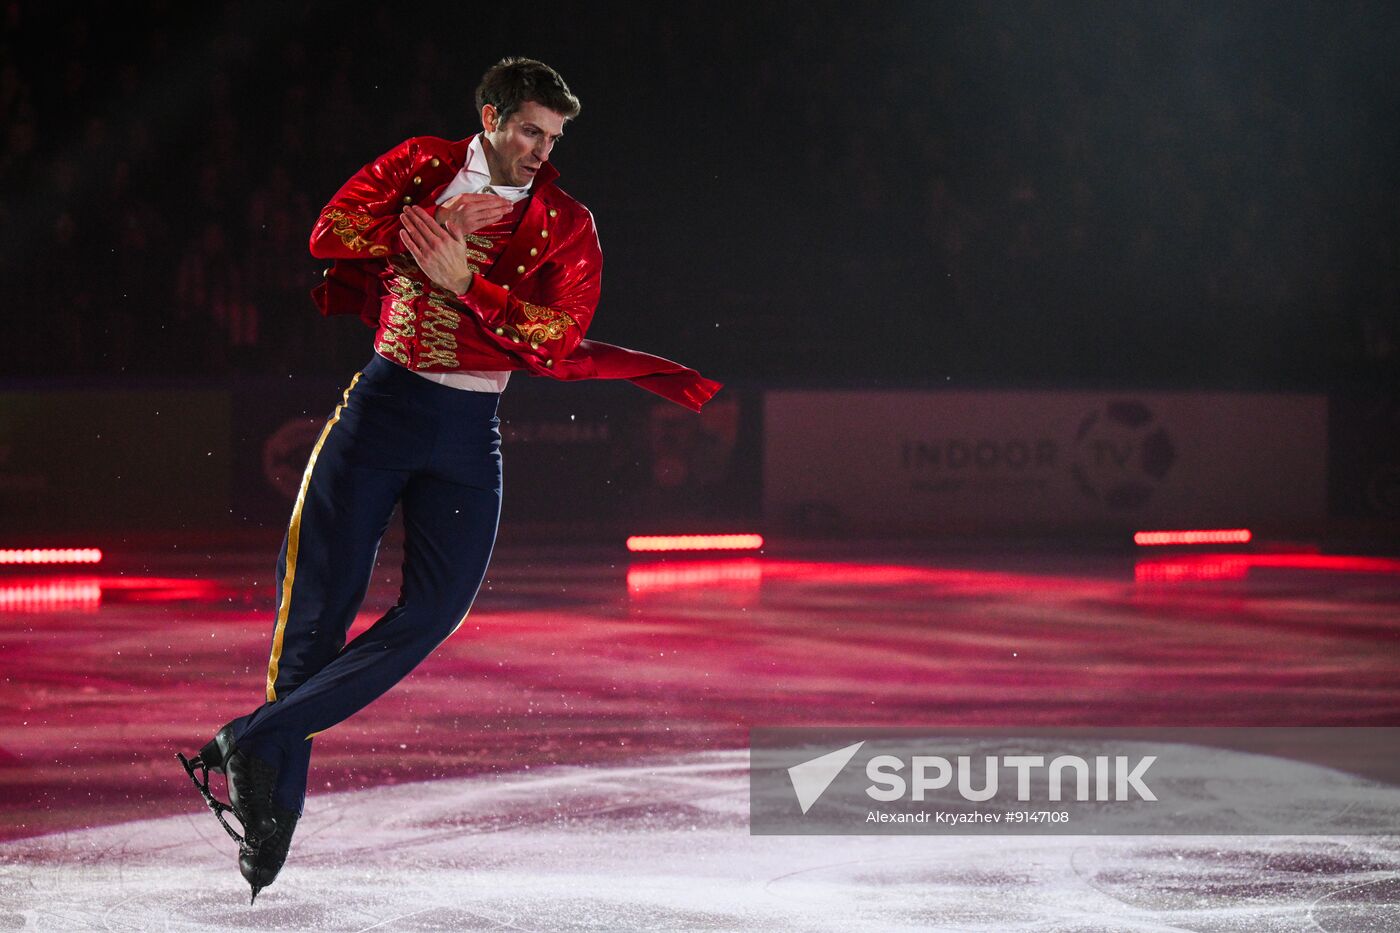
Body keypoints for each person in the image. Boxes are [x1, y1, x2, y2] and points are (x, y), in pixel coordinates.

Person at [178, 57, 720, 903]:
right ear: (492, 117)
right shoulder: (424, 165)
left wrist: (471, 283)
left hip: (469, 431)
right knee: (313, 619)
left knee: (436, 610)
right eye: (531, 130)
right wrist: (421, 227)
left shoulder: (567, 224)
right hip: (380, 410)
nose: (543, 150)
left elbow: (557, 338)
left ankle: (250, 738)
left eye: (554, 137)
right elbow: (327, 233)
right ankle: (272, 816)